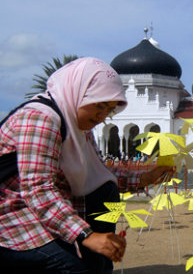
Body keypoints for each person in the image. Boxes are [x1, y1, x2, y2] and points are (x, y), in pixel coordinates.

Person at [0, 57, 170, 273]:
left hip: (47, 209)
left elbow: (97, 173)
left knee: (107, 188)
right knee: (70, 267)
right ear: (76, 92)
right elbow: (37, 189)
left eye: (109, 110)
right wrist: (86, 235)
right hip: (12, 215)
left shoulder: (79, 128)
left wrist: (146, 177)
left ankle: (98, 264)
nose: (102, 116)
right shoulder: (41, 118)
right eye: (98, 105)